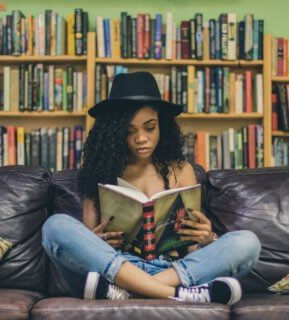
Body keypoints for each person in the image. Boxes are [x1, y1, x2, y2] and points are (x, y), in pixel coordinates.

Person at [41, 71, 261, 306]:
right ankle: (177, 294)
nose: (141, 138)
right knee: (55, 227)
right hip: (115, 267)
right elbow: (89, 247)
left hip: (172, 269)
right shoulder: (97, 172)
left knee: (248, 242)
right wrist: (94, 240)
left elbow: (191, 248)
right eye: (129, 131)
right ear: (114, 133)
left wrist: (208, 238)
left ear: (162, 126)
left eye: (150, 127)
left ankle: (132, 290)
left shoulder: (181, 170)